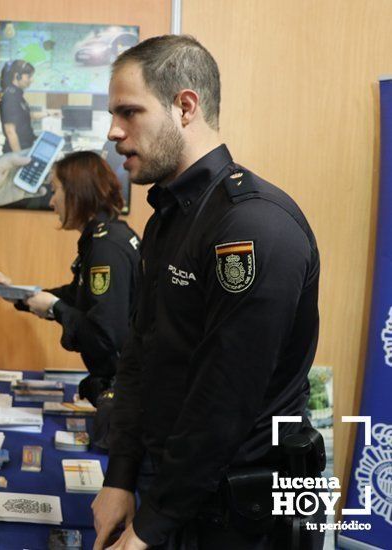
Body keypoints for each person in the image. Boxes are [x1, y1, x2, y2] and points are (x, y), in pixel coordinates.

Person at [91, 35, 321, 550]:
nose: (113, 132)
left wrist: (153, 523)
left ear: (185, 106)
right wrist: (121, 475)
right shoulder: (169, 218)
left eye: (129, 112)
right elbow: (140, 354)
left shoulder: (253, 224)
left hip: (234, 510)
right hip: (170, 483)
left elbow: (224, 399)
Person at [0, 150, 140, 404]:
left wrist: (54, 308)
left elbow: (103, 336)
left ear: (76, 191)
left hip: (124, 390)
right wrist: (20, 296)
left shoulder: (106, 248)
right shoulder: (106, 237)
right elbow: (78, 295)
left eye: (55, 190)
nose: (51, 201)